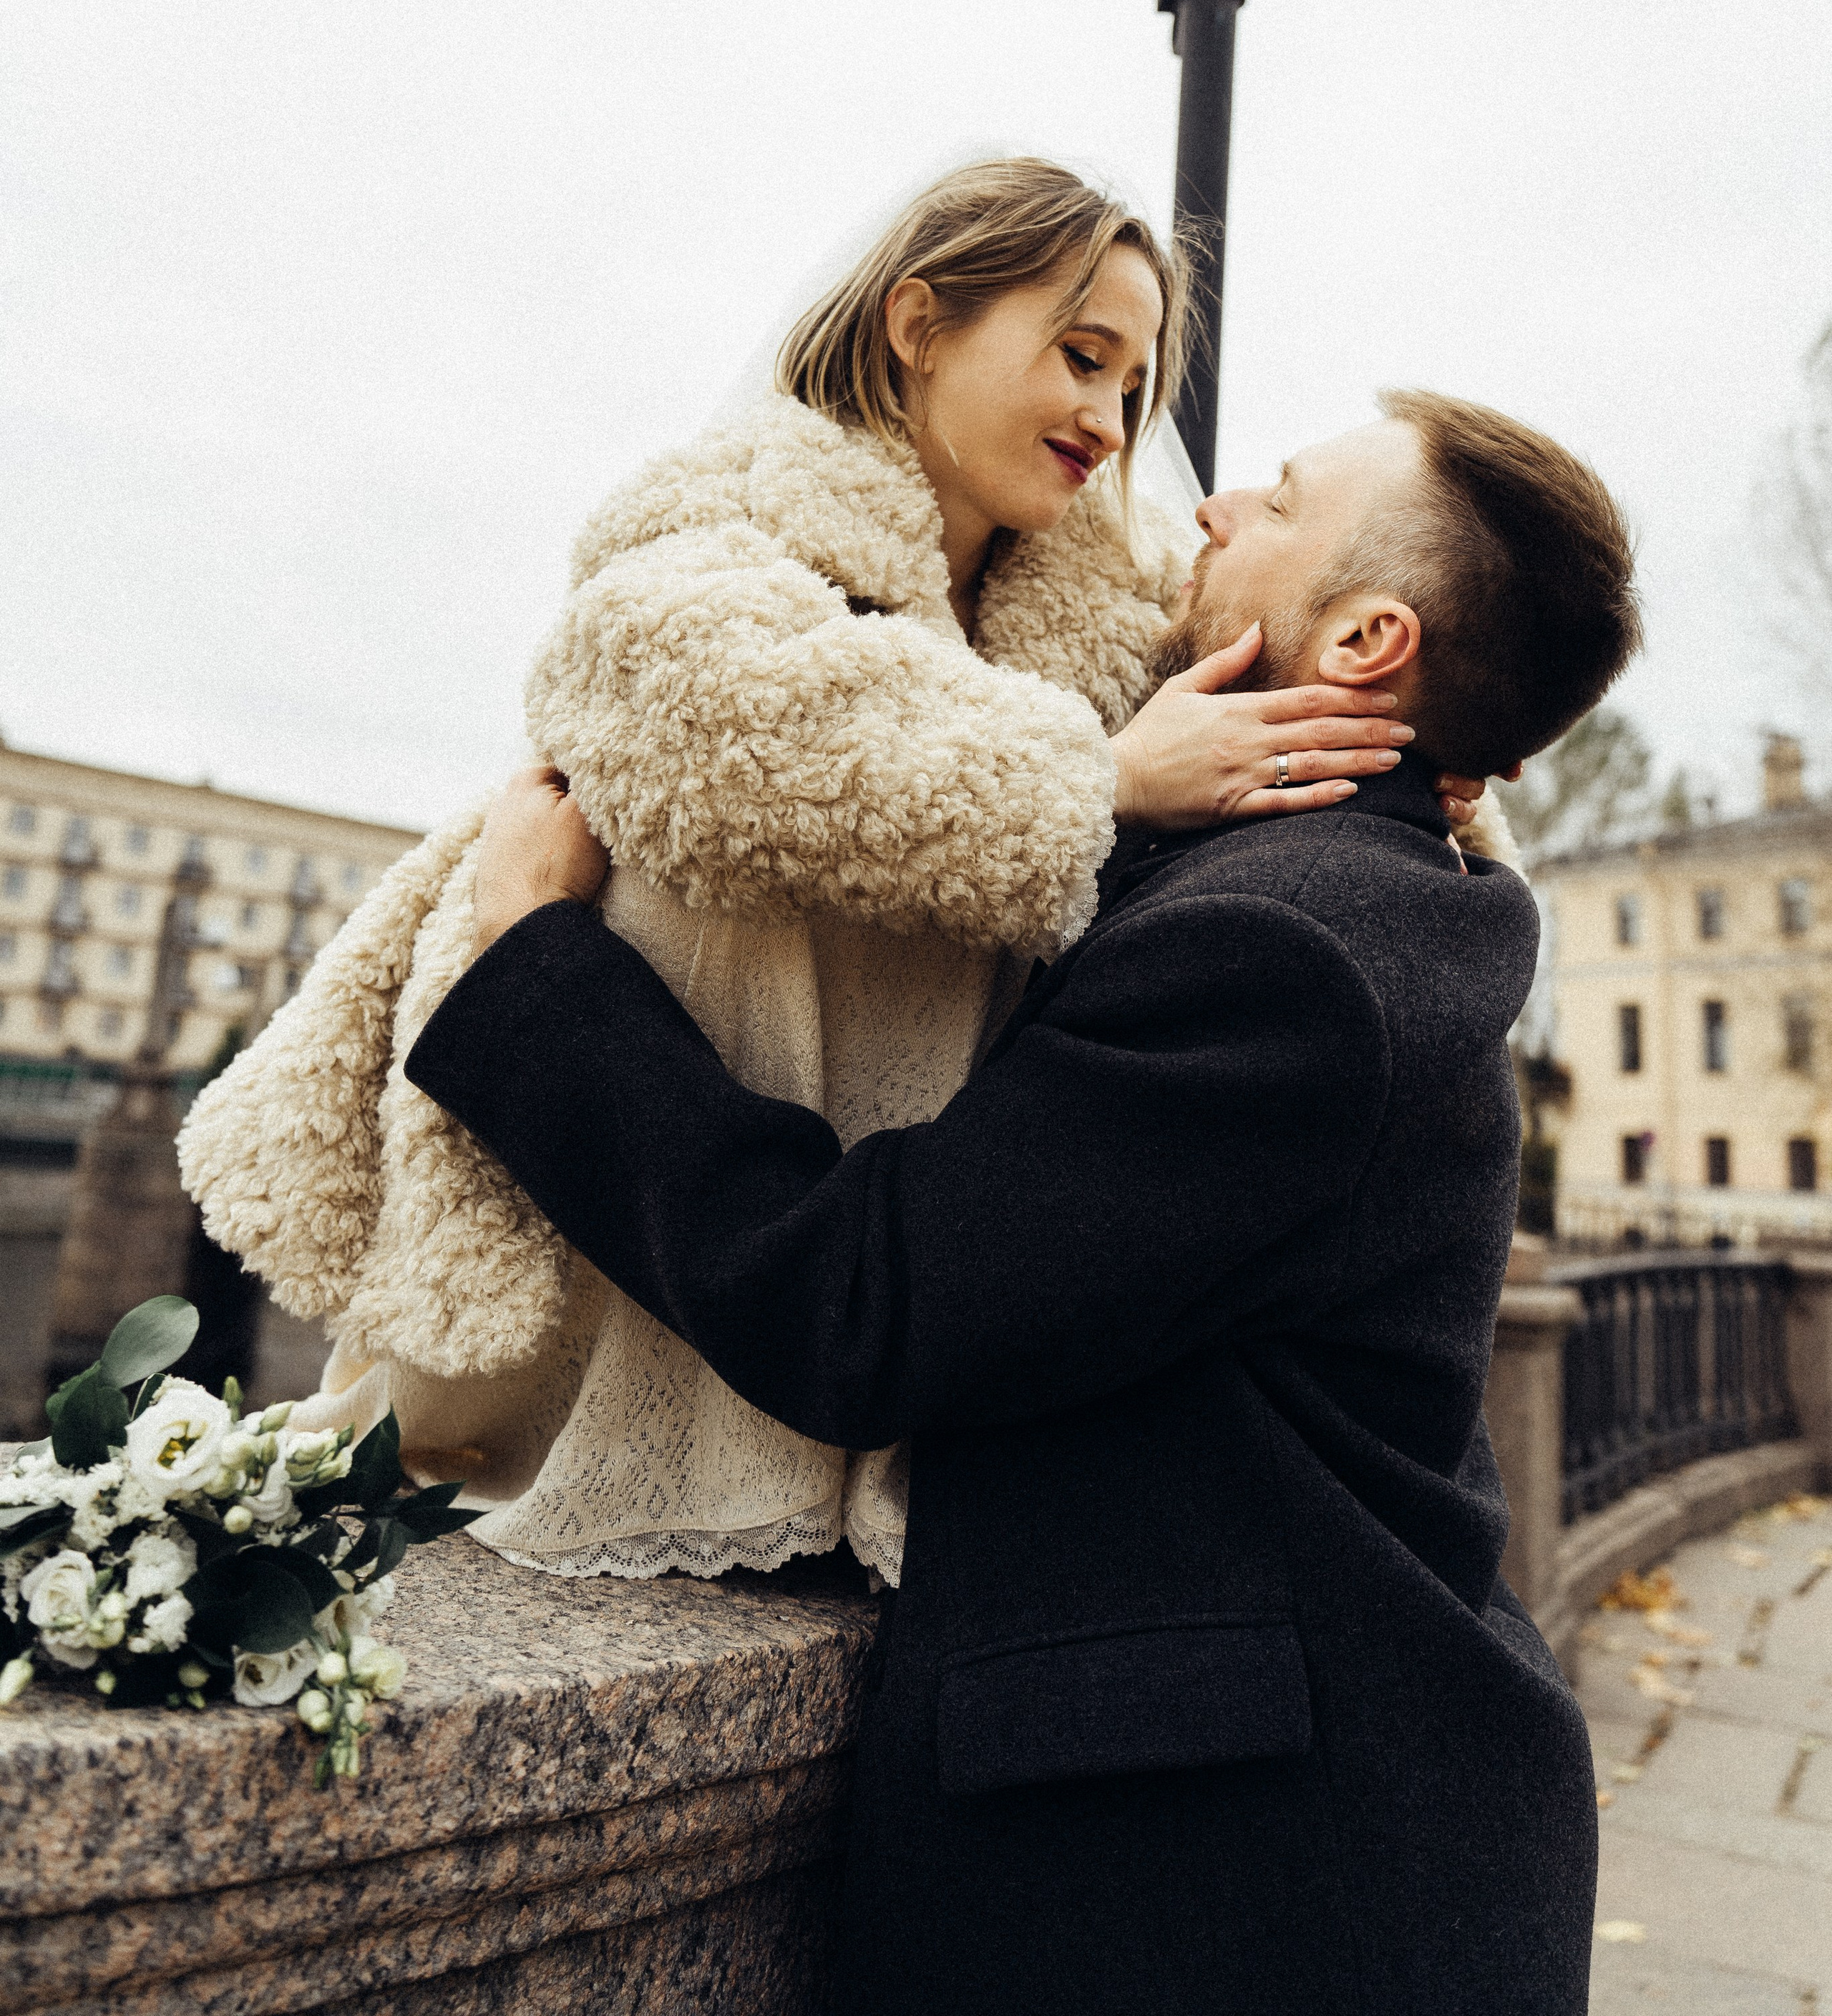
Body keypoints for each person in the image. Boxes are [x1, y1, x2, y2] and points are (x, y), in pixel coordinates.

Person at [404, 388, 1639, 2016]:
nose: (1209, 512)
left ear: (1364, 641)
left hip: (1237, 1891)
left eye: (1274, 501)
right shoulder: (1369, 896)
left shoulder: (1292, 955)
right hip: (1298, 1822)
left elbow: (863, 1303)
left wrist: (535, 969)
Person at [180, 162, 1498, 1584]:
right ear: (916, 325)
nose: (1108, 423)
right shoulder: (715, 523)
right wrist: (1097, 781)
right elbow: (722, 719)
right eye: (1080, 356)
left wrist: (1432, 759)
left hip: (854, 1304)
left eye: (1132, 387)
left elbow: (1320, 678)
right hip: (615, 1292)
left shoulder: (1105, 626)